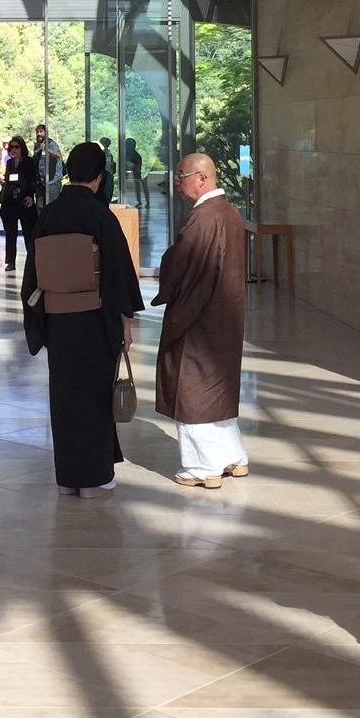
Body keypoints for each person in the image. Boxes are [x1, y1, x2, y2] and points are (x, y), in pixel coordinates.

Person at [21, 141, 144, 497]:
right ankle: (95, 478)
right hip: (95, 319)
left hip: (59, 322)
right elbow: (118, 274)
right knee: (95, 396)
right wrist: (124, 321)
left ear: (69, 172)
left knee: (64, 397)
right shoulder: (100, 216)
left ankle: (68, 478)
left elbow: (33, 275)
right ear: (100, 176)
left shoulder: (49, 216)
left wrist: (39, 321)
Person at [151, 152, 248, 489]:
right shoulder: (229, 212)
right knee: (217, 384)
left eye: (182, 176)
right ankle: (233, 456)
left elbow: (179, 262)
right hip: (225, 313)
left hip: (199, 316)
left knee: (191, 386)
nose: (178, 183)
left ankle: (203, 466)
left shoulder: (204, 218)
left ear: (203, 178)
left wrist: (166, 281)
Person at [0, 135, 37, 271]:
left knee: (28, 231)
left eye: (16, 147)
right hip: (10, 201)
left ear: (22, 148)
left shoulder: (28, 162)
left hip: (24, 200)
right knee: (10, 232)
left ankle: (32, 260)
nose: (13, 149)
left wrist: (30, 195)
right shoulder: (9, 163)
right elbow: (9, 179)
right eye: (12, 147)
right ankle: (11, 262)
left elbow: (33, 180)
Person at [33, 123, 63, 210]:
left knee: (52, 207)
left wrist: (47, 149)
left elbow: (58, 155)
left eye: (41, 131)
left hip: (52, 182)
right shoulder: (37, 146)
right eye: (37, 132)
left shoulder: (52, 144)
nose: (39, 134)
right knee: (40, 207)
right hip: (41, 183)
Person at [124, 136, 144, 208]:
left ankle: (139, 201)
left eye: (127, 145)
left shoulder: (136, 156)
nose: (126, 146)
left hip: (135, 174)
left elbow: (137, 170)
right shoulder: (126, 154)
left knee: (137, 186)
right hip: (130, 174)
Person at [98, 137, 116, 203]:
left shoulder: (108, 155)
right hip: (105, 174)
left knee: (106, 192)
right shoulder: (107, 154)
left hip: (106, 175)